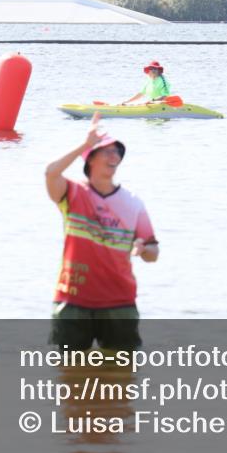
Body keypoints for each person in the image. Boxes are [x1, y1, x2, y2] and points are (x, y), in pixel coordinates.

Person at [45, 111, 159, 351]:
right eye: (106, 151)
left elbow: (153, 251)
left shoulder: (133, 203)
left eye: (117, 151)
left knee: (121, 375)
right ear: (91, 159)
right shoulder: (73, 193)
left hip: (119, 302)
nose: (114, 155)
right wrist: (84, 144)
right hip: (73, 300)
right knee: (71, 376)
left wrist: (144, 248)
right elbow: (51, 172)